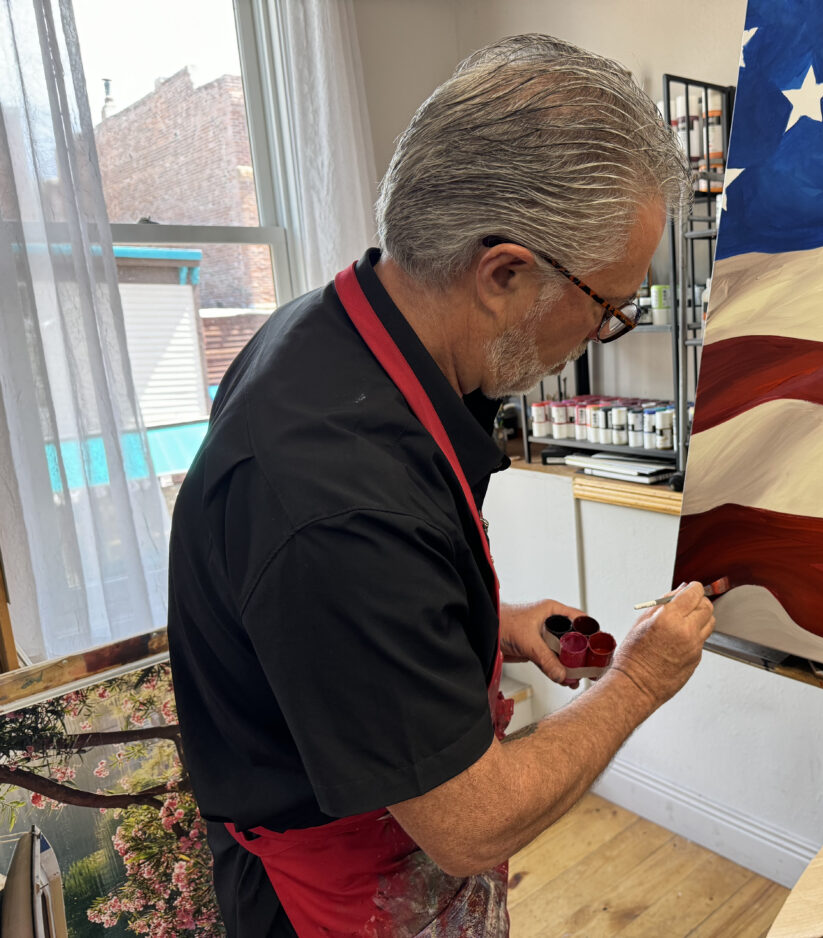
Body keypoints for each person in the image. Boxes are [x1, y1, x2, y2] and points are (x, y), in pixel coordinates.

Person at [167, 33, 715, 937]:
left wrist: (492, 625)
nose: (599, 332)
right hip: (329, 883)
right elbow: (472, 825)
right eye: (607, 308)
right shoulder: (336, 496)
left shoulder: (341, 326)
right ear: (504, 274)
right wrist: (641, 680)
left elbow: (332, 625)